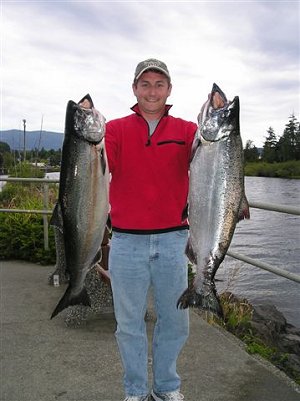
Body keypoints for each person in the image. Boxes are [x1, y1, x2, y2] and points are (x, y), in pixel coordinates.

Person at [104, 58, 198, 401]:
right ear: (134, 89)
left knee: (175, 322)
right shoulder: (114, 129)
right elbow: (101, 165)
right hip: (126, 242)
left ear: (169, 90)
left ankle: (166, 387)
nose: (152, 90)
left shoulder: (188, 130)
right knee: (128, 325)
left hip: (175, 241)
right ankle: (135, 390)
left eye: (159, 84)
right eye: (145, 84)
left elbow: (213, 162)